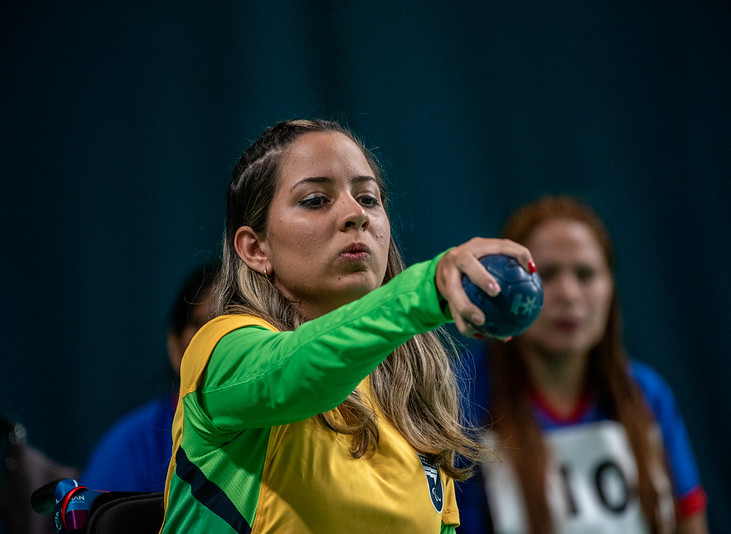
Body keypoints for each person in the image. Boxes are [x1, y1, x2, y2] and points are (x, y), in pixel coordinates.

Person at [159, 118, 535, 533]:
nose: (355, 214)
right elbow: (297, 375)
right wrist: (427, 292)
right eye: (316, 199)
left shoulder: (411, 395)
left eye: (369, 198)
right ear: (255, 248)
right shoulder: (221, 350)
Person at [456, 195, 708, 534]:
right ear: (501, 287)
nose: (569, 294)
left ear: (611, 289)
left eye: (585, 274)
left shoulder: (648, 394)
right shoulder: (461, 400)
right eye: (545, 274)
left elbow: (689, 521)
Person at [81, 263, 217, 492]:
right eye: (207, 325)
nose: (225, 343)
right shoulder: (131, 448)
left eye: (242, 326)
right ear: (175, 347)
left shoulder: (284, 435)